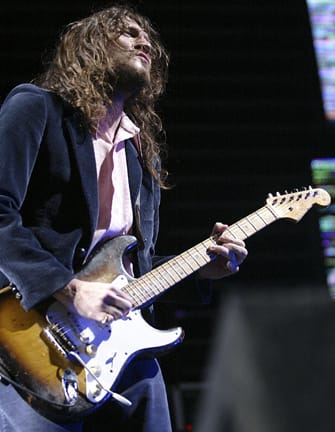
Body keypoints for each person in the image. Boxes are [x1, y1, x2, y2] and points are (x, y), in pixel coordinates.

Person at [0, 3, 248, 431]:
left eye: (147, 37)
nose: (144, 41)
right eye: (128, 33)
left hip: (123, 349)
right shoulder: (36, 108)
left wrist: (201, 271)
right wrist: (68, 288)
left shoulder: (139, 155)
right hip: (36, 337)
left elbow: (133, 268)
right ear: (91, 47)